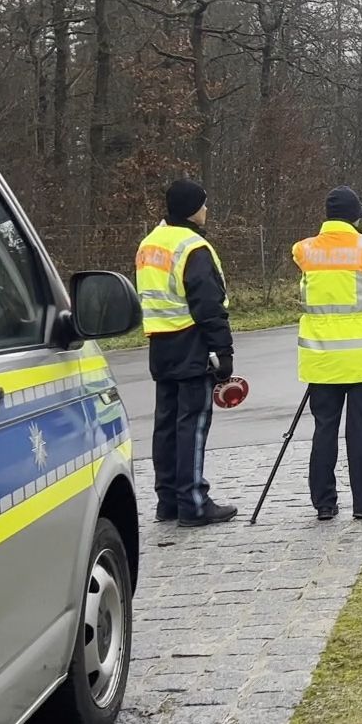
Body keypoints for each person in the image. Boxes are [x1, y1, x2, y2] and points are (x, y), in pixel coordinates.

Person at [292, 187, 362, 520]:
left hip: (321, 358)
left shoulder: (305, 250)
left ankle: (324, 503)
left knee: (324, 429)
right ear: (358, 215)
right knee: (361, 429)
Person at [135, 178, 237, 526]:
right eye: (204, 204)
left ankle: (168, 501)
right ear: (193, 208)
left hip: (159, 343)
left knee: (165, 425)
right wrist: (223, 350)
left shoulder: (149, 243)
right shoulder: (193, 247)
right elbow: (207, 304)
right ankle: (193, 502)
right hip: (190, 341)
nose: (206, 210)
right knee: (192, 425)